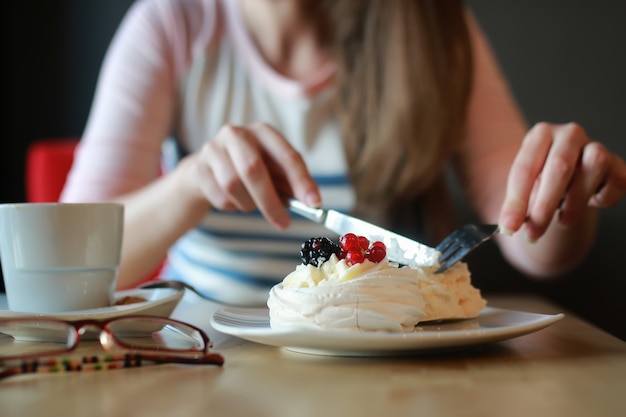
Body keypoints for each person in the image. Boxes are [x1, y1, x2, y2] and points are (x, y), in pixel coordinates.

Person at [61, 0, 626, 306]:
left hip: (380, 366)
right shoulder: (171, 24)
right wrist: (188, 184)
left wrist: (560, 195)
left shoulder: (431, 26)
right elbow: (67, 261)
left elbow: (535, 243)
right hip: (207, 353)